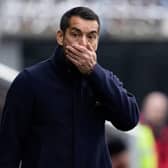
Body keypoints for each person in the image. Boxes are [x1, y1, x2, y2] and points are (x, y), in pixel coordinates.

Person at [0, 6, 139, 168]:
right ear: (60, 37)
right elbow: (9, 149)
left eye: (91, 37)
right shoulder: (30, 81)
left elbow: (129, 120)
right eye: (75, 34)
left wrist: (94, 73)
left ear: (97, 41)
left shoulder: (103, 80)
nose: (83, 43)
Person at [141, 91, 168, 168]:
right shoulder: (134, 132)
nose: (158, 115)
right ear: (145, 109)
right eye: (155, 110)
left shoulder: (165, 135)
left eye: (161, 111)